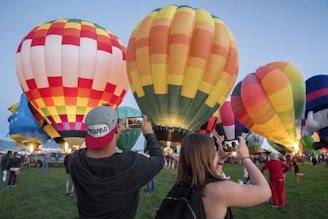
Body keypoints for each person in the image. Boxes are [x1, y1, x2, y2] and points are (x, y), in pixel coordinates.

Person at [69, 106, 165, 218]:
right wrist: (148, 133)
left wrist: (114, 132)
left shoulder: (75, 160)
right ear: (115, 128)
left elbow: (101, 146)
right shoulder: (131, 163)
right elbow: (159, 159)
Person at [157, 132, 271, 219]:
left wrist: (220, 159)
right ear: (208, 156)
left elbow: (207, 181)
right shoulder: (219, 190)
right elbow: (265, 192)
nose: (216, 155)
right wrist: (245, 157)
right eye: (215, 152)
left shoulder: (180, 187)